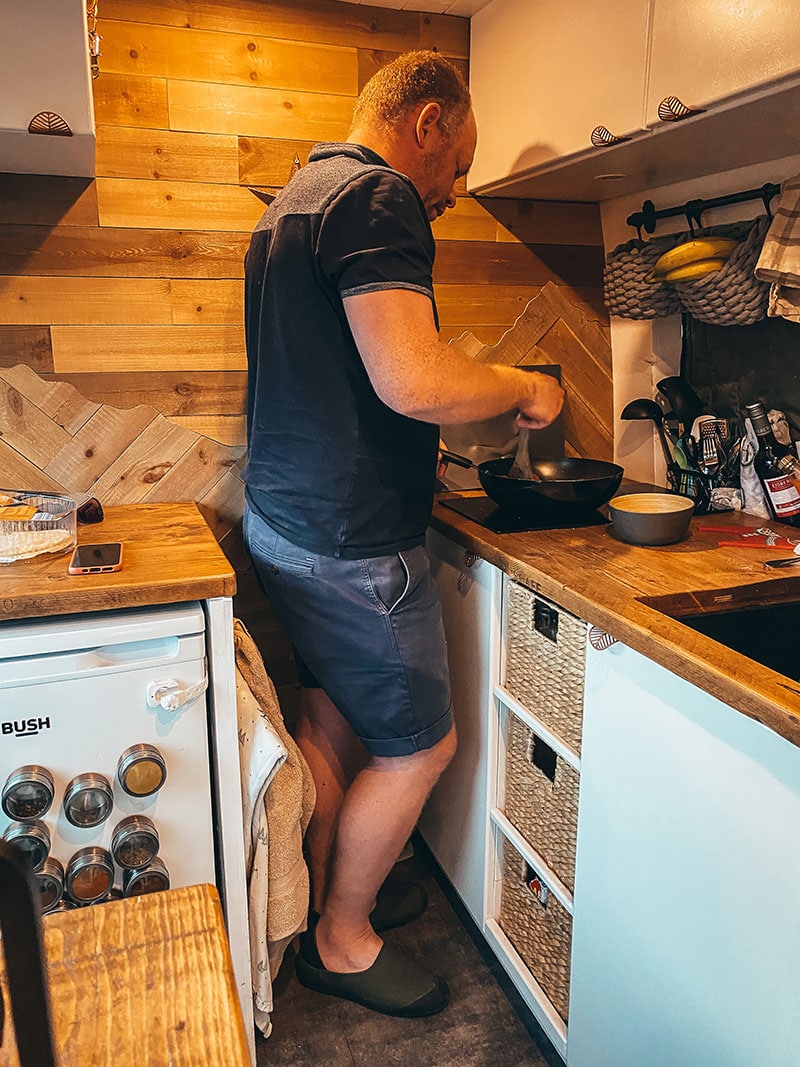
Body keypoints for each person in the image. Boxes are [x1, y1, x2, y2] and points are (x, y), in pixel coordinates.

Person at [242, 50, 564, 1018]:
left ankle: (343, 887)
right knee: (419, 748)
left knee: (334, 721)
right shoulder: (376, 195)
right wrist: (523, 384)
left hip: (288, 517)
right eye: (458, 163)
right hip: (351, 540)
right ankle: (342, 941)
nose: (455, 190)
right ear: (426, 121)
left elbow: (342, 374)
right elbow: (415, 380)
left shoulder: (297, 196)